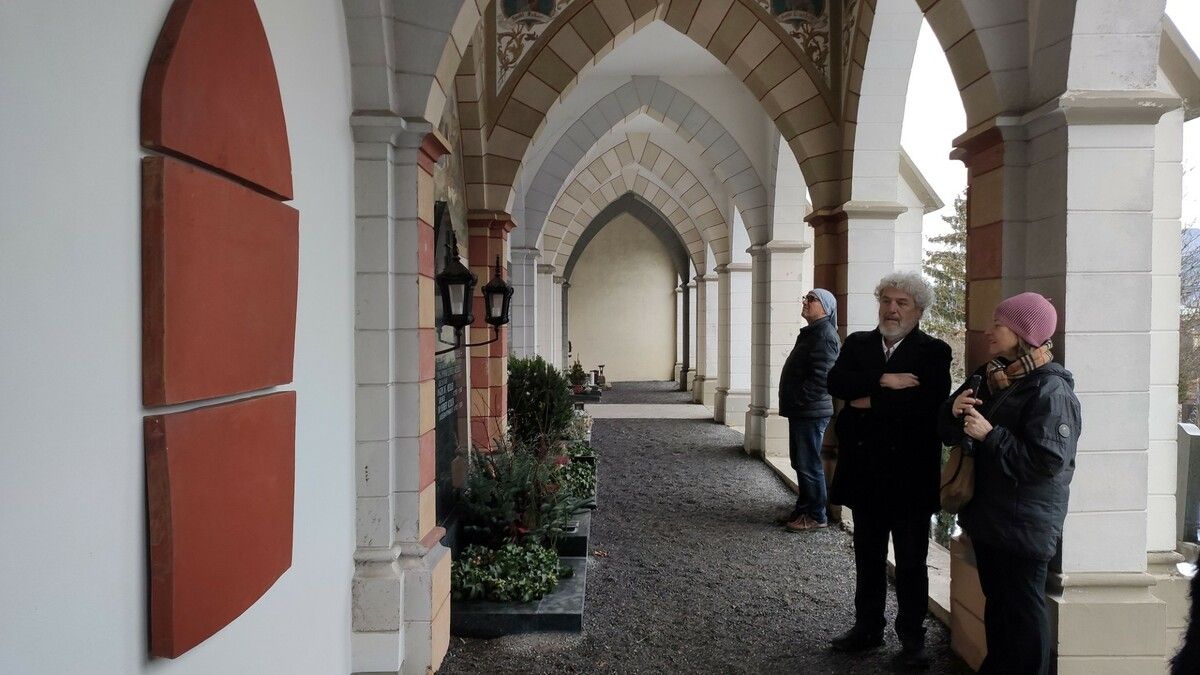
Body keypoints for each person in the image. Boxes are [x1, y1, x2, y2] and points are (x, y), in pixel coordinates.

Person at [938, 292, 1080, 675]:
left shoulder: (1051, 390)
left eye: (999, 324)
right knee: (1002, 615)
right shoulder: (989, 376)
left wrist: (991, 436)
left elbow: (1048, 463)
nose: (989, 331)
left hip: (1024, 527)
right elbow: (947, 428)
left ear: (1023, 333)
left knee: (1022, 621)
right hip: (992, 519)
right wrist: (951, 412)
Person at [827, 272, 951, 668]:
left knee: (912, 562)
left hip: (910, 476)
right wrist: (885, 379)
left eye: (902, 304)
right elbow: (835, 382)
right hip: (865, 473)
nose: (892, 309)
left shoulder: (934, 351)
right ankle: (867, 628)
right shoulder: (859, 344)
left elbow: (926, 408)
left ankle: (912, 640)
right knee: (867, 555)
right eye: (887, 301)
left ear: (918, 310)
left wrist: (868, 402)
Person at [776, 288, 840, 532]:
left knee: (808, 463)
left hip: (810, 411)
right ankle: (804, 509)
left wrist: (800, 399)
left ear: (825, 307)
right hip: (805, 410)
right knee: (801, 462)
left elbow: (823, 378)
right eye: (805, 297)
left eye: (811, 299)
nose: (805, 302)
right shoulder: (815, 332)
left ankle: (816, 515)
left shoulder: (823, 334)